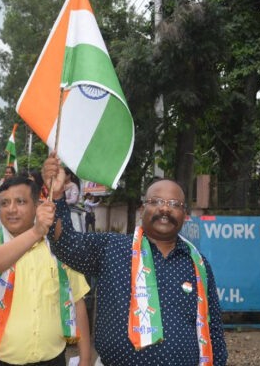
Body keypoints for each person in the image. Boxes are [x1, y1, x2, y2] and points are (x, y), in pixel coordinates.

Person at [42, 153, 228, 365]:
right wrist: (56, 195)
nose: (165, 208)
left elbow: (213, 331)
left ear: (185, 214)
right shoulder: (111, 248)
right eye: (156, 201)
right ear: (142, 210)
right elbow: (66, 244)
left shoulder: (197, 264)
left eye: (174, 203)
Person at [0, 176, 91, 366]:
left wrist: (85, 358)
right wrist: (36, 232)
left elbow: (77, 302)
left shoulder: (58, 250)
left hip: (53, 360)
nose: (12, 209)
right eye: (5, 203)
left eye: (21, 202)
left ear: (37, 206)